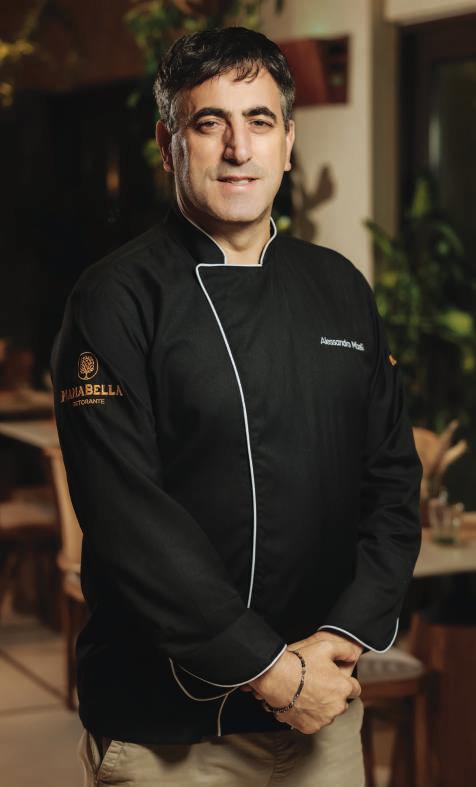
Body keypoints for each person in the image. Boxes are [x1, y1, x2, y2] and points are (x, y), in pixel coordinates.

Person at [49, 26, 422, 787]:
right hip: (167, 734)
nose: (237, 149)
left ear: (288, 141)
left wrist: (341, 641)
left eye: (258, 121)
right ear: (168, 144)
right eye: (208, 122)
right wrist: (271, 672)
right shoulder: (115, 299)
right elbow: (131, 523)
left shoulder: (339, 288)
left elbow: (392, 484)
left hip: (324, 712)